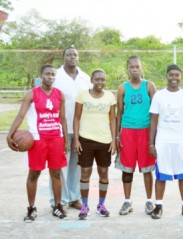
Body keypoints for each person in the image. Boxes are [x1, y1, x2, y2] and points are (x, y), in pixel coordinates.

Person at [6, 65, 69, 222]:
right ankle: (31, 208)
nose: (50, 77)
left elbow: (62, 119)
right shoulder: (31, 94)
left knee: (56, 173)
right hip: (37, 140)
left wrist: (66, 140)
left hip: (56, 138)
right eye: (47, 74)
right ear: (41, 75)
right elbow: (21, 115)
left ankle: (57, 206)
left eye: (53, 74)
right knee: (34, 173)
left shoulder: (60, 95)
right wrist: (9, 134)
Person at [148, 64, 183, 219]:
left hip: (181, 140)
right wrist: (151, 143)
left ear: (180, 77)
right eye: (171, 75)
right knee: (161, 174)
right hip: (163, 140)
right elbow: (154, 121)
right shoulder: (159, 96)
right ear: (166, 76)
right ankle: (158, 206)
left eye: (177, 75)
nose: (174, 78)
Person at [50, 45, 92, 210]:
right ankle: (58, 200)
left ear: (78, 57)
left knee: (77, 165)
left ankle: (74, 197)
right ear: (63, 57)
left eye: (75, 55)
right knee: (59, 166)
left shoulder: (85, 77)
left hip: (82, 129)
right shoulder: (56, 76)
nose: (72, 57)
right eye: (69, 55)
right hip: (59, 128)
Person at [115, 55, 156, 216]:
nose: (135, 70)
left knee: (147, 169)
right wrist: (117, 136)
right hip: (128, 132)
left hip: (145, 131)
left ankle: (149, 201)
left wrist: (155, 136)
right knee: (127, 169)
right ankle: (127, 201)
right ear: (128, 69)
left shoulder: (149, 86)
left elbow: (155, 112)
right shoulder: (122, 88)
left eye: (137, 67)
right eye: (131, 67)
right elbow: (119, 113)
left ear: (141, 67)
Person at [73, 69, 117, 219]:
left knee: (104, 173)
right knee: (85, 172)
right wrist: (77, 139)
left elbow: (112, 119)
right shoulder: (82, 95)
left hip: (104, 141)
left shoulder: (110, 96)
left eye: (103, 80)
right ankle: (84, 206)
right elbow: (77, 118)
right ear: (92, 80)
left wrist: (114, 140)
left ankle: (101, 205)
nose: (100, 82)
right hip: (86, 139)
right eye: (97, 79)